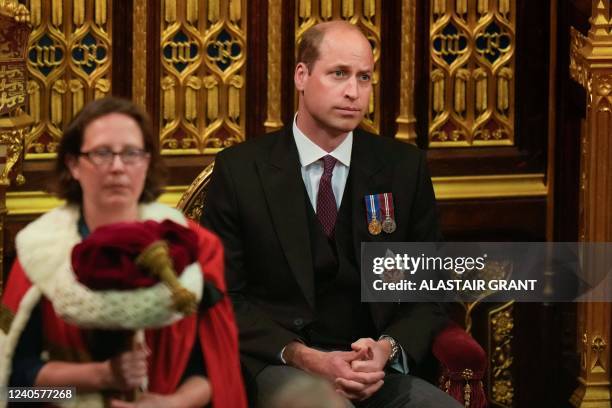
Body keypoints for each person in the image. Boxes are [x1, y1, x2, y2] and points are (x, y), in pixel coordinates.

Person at [202, 20, 461, 407]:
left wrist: (386, 350)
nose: (353, 92)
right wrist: (303, 356)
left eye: (364, 77)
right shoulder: (241, 171)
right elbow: (222, 296)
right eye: (339, 74)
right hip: (281, 366)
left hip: (374, 371)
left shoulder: (403, 168)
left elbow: (427, 293)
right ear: (302, 76)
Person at [0, 97, 247, 408]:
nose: (118, 167)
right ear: (73, 164)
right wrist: (98, 378)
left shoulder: (194, 246)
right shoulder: (38, 251)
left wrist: (173, 404)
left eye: (131, 153)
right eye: (102, 153)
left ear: (147, 163)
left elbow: (217, 372)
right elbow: (16, 392)